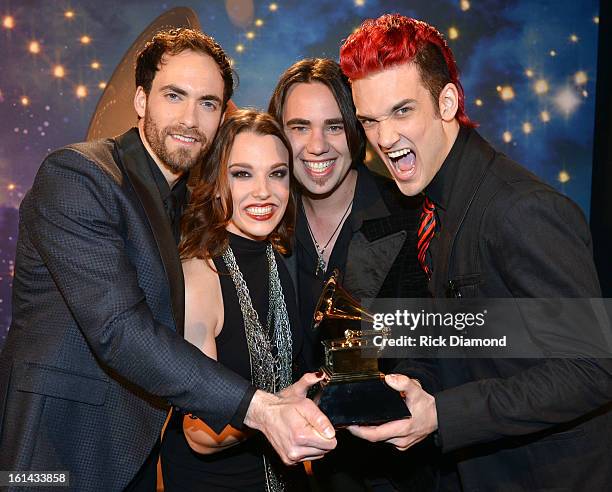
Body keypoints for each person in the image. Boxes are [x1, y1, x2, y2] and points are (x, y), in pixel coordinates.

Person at [0, 28, 335, 491]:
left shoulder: (186, 206)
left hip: (135, 455)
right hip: (60, 449)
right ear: (140, 100)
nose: (190, 118)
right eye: (174, 95)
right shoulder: (79, 177)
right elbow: (119, 329)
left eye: (208, 103)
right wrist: (260, 407)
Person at [339, 14, 612, 491]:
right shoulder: (439, 200)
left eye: (402, 111)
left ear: (447, 102)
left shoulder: (519, 209)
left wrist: (442, 413)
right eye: (370, 120)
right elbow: (476, 337)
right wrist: (411, 387)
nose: (383, 138)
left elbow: (592, 368)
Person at [268, 58, 437, 491]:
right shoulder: (263, 222)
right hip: (294, 472)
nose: (317, 145)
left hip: (394, 468)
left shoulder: (408, 214)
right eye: (299, 127)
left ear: (356, 130)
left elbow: (430, 344)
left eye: (334, 126)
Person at [161, 109, 313, 491]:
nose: (264, 191)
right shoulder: (199, 275)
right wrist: (282, 409)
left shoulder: (279, 257)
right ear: (214, 183)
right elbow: (199, 432)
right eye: (242, 173)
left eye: (277, 173)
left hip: (284, 476)